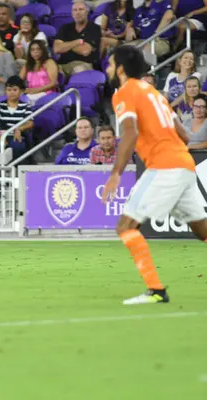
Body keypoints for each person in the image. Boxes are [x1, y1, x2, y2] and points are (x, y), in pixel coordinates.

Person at [102, 45, 207, 305]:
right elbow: (183, 133)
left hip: (165, 166)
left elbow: (130, 132)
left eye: (111, 64)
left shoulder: (124, 92)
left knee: (125, 226)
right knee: (201, 228)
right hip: (183, 163)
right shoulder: (154, 93)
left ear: (122, 69)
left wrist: (116, 173)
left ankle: (156, 290)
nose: (108, 69)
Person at [0, 76, 34, 161]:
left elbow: (30, 123)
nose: (11, 93)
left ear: (21, 91)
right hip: (1, 136)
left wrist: (19, 129)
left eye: (14, 90)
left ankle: (15, 171)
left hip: (17, 136)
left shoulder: (25, 106)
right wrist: (0, 137)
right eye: (9, 90)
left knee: (17, 146)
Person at [53, 0, 102, 76]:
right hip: (62, 64)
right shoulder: (65, 28)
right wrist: (77, 42)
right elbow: (56, 49)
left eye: (81, 9)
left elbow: (85, 51)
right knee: (52, 71)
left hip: (83, 64)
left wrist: (65, 45)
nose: (77, 12)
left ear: (87, 12)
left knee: (79, 70)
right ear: (72, 13)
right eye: (75, 10)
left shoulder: (95, 29)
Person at [19, 40, 58, 105]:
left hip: (47, 93)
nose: (35, 51)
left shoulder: (49, 62)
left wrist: (36, 90)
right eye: (32, 50)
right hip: (31, 93)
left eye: (38, 49)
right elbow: (18, 81)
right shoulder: (28, 64)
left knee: (24, 102)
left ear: (43, 50)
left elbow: (53, 83)